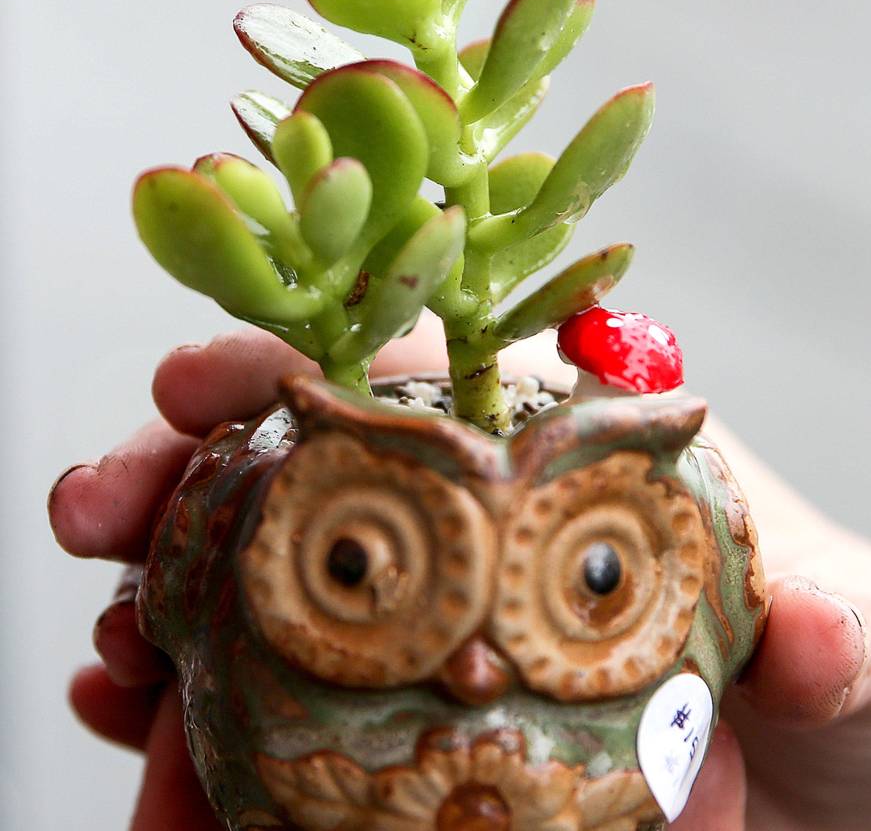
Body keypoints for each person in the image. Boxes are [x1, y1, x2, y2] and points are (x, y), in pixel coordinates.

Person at [49, 314, 871, 830]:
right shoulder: (251, 485)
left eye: (598, 576)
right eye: (354, 562)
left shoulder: (691, 514)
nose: (476, 674)